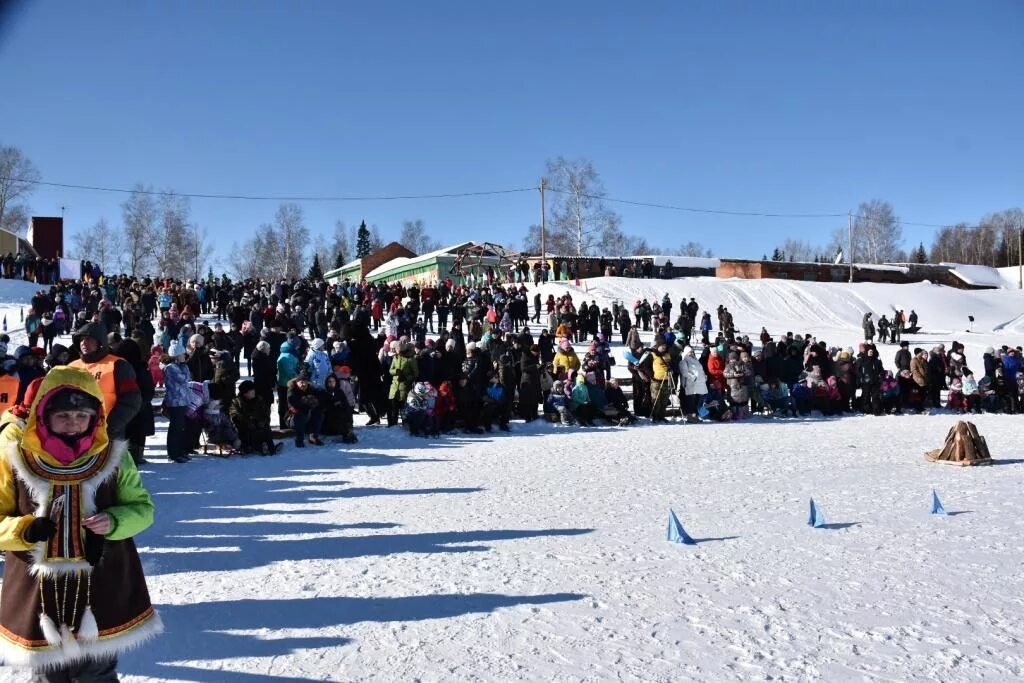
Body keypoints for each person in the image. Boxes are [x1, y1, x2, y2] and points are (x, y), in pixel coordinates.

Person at [0, 367, 162, 680]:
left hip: (100, 585)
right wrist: (23, 529)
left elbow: (143, 509)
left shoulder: (114, 456)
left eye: (81, 415)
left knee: (97, 673)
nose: (73, 423)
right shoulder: (15, 457)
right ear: (43, 414)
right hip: (37, 593)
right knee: (47, 675)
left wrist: (115, 521)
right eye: (63, 415)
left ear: (95, 416)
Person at [68, 322, 143, 442]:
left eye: (89, 339)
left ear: (100, 342)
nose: (83, 343)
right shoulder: (71, 367)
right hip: (74, 433)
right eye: (81, 339)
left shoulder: (118, 365)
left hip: (107, 434)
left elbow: (132, 399)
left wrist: (111, 426)